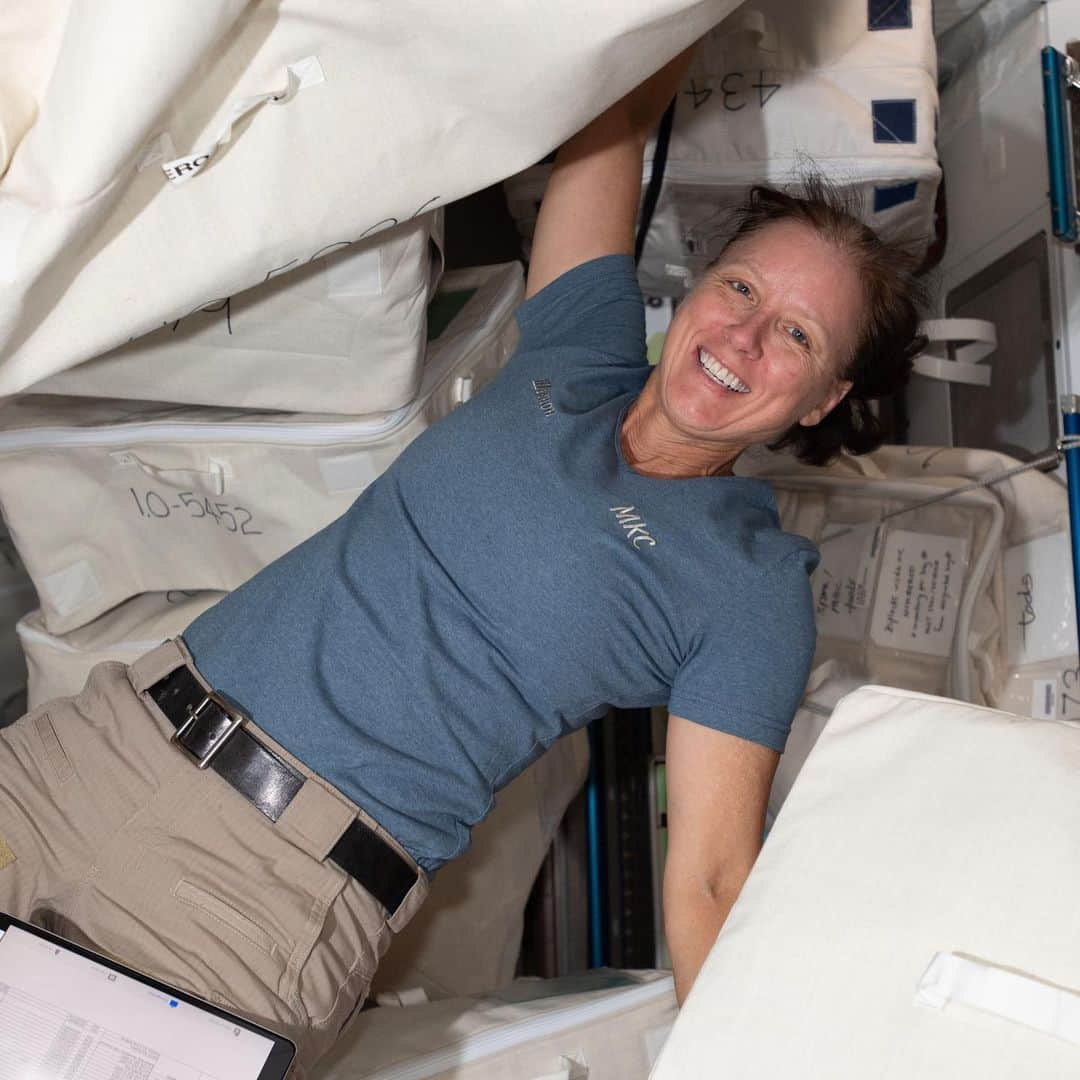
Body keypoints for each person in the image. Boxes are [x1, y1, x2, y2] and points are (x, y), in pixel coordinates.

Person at [0, 46, 926, 1076]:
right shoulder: (579, 356)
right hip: (97, 748)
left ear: (820, 400)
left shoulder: (750, 585)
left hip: (259, 897)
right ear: (696, 286)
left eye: (796, 336)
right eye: (740, 285)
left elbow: (710, 876)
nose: (745, 337)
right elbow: (603, 132)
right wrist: (675, 26)